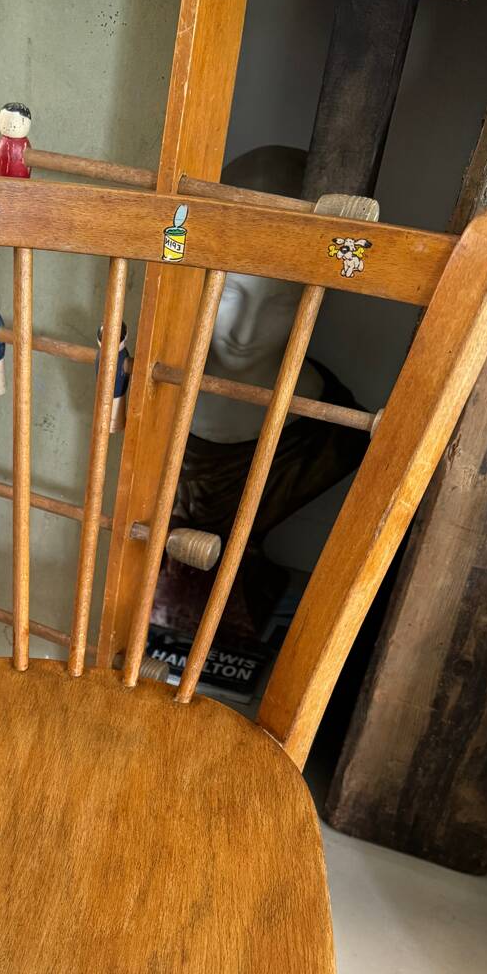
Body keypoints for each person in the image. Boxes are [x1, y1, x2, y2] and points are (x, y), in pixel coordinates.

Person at [153, 144, 367, 641]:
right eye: (230, 292)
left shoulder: (332, 431)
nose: (245, 332)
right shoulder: (152, 380)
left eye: (279, 305)